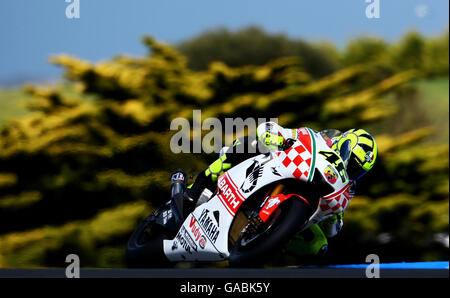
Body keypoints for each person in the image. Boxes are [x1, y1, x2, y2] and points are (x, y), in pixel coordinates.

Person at [171, 121, 378, 258]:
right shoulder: (321, 139)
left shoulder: (344, 187)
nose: (351, 171)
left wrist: (335, 219)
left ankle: (267, 240)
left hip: (306, 196)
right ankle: (194, 189)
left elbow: (332, 229)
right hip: (276, 166)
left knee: (319, 246)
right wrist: (279, 137)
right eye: (352, 163)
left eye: (357, 171)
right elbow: (284, 132)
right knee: (248, 143)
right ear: (345, 144)